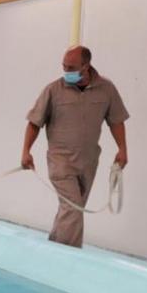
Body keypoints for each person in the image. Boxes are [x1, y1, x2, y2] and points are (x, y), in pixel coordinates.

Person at [21, 45, 129, 248]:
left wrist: (122, 149)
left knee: (71, 211)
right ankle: (67, 262)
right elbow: (34, 122)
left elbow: (116, 120)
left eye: (71, 67)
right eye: (64, 66)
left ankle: (52, 250)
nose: (66, 71)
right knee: (73, 209)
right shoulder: (53, 90)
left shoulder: (106, 89)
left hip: (88, 162)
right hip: (60, 161)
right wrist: (26, 151)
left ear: (86, 66)